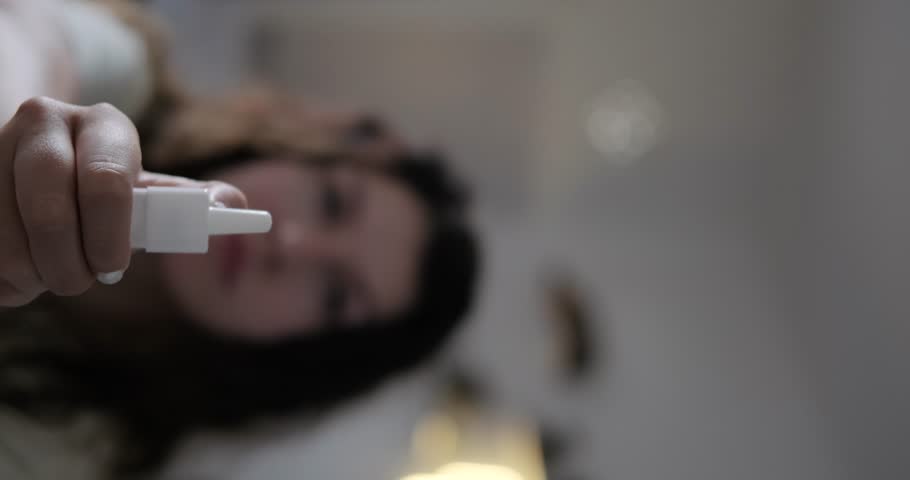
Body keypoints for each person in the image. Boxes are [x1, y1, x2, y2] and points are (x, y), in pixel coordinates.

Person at [0, 1, 481, 478]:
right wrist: (26, 131)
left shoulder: (79, 454)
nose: (290, 246)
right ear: (297, 150)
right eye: (332, 202)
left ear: (311, 354)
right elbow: (29, 34)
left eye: (336, 294)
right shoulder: (131, 79)